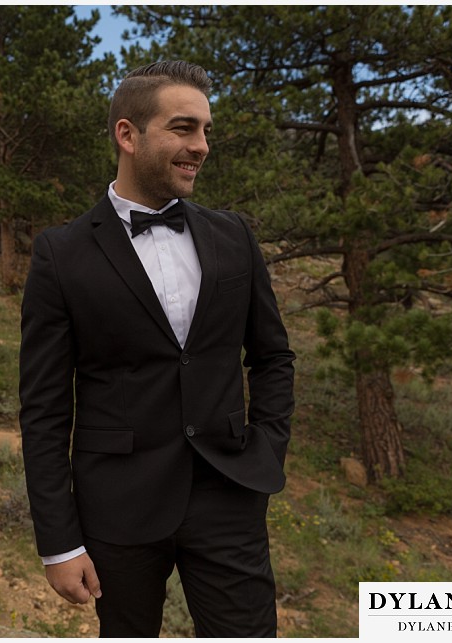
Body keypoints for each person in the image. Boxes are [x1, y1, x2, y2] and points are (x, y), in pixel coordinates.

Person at [19, 60, 296, 638]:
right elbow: (44, 408)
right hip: (117, 507)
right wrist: (59, 542)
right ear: (128, 134)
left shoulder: (233, 236)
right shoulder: (61, 254)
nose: (201, 146)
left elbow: (271, 357)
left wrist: (267, 447)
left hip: (229, 494)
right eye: (183, 128)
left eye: (205, 131)